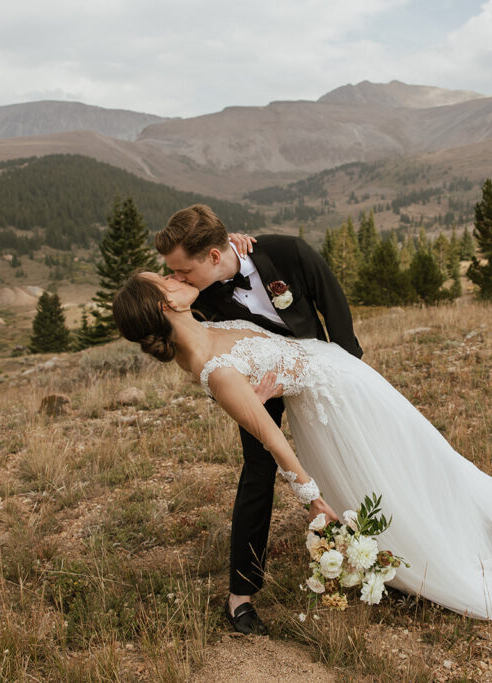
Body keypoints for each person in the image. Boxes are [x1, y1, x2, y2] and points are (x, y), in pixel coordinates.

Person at [112, 270, 492, 632]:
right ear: (164, 305)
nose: (174, 275)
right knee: (389, 465)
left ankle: (485, 495)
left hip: (338, 372)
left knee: (414, 443)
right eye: (164, 279)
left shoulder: (205, 323)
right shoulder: (212, 367)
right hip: (333, 404)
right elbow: (271, 438)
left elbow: (222, 271)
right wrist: (312, 496)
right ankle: (436, 551)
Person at [153, 204, 363, 635]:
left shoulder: (289, 253)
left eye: (181, 271)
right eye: (172, 273)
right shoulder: (200, 290)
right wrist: (189, 285)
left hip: (318, 370)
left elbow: (337, 316)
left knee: (351, 448)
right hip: (256, 382)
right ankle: (241, 593)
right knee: (258, 471)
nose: (176, 279)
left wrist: (351, 377)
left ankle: (367, 538)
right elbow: (160, 301)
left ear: (213, 256)